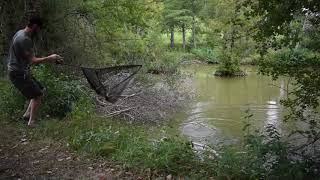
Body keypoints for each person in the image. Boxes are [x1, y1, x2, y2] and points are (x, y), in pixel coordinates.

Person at [7, 16, 63, 127]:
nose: (39, 31)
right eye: (39, 29)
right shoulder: (25, 39)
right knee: (38, 95)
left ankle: (27, 115)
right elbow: (32, 61)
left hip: (19, 71)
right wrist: (50, 58)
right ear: (35, 26)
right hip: (18, 73)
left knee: (41, 89)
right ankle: (31, 122)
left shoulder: (20, 33)